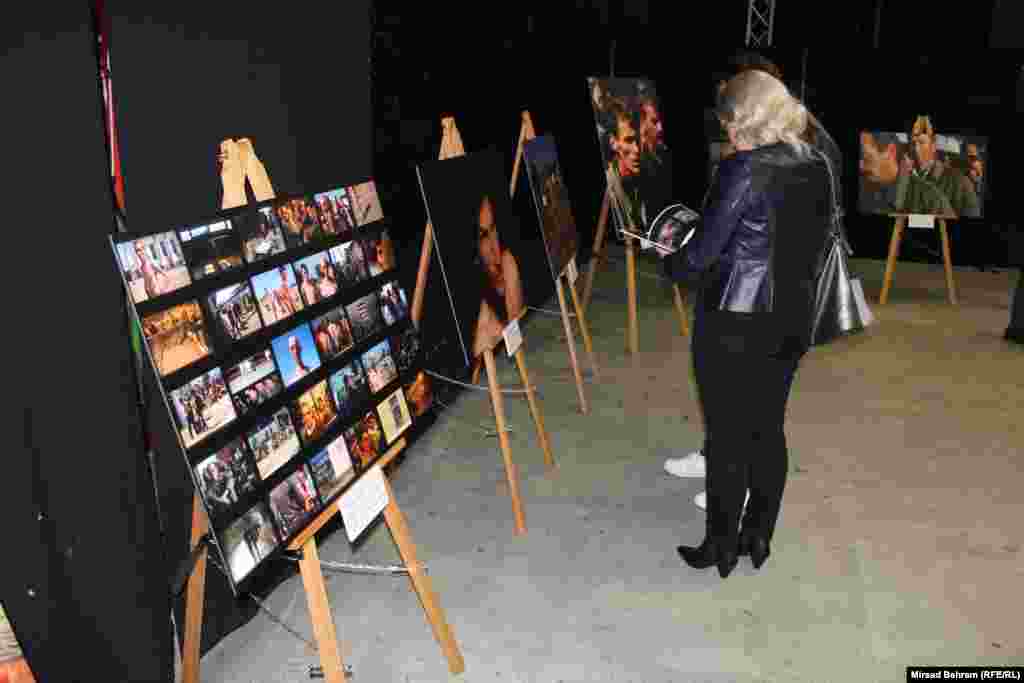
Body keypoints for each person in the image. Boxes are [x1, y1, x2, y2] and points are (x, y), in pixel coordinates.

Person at [663, 69, 832, 578]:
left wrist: (669, 255)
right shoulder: (817, 163)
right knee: (767, 429)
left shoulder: (743, 170)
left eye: (730, 123)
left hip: (733, 324)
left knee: (726, 436)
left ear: (746, 121)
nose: (726, 133)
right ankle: (758, 535)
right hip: (790, 321)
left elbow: (701, 255)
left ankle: (719, 547)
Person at [470, 195, 525, 364]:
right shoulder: (473, 298)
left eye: (493, 228)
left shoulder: (506, 262)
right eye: (484, 236)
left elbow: (514, 339)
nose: (494, 245)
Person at [899, 116, 980, 218]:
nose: (914, 149)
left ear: (933, 147)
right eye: (912, 143)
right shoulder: (903, 179)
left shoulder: (961, 183)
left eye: (921, 143)